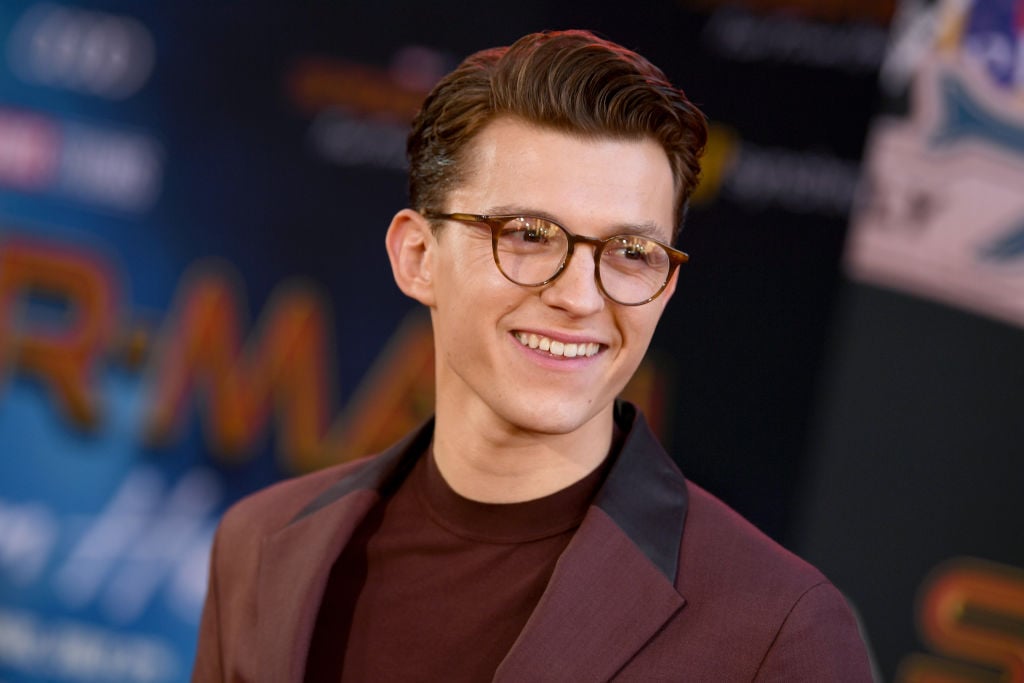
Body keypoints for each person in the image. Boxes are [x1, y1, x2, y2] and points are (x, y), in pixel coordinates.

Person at [191, 29, 874, 682]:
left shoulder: (776, 630)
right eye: (528, 235)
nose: (579, 296)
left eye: (631, 253)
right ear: (419, 257)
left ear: (665, 286)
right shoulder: (262, 546)